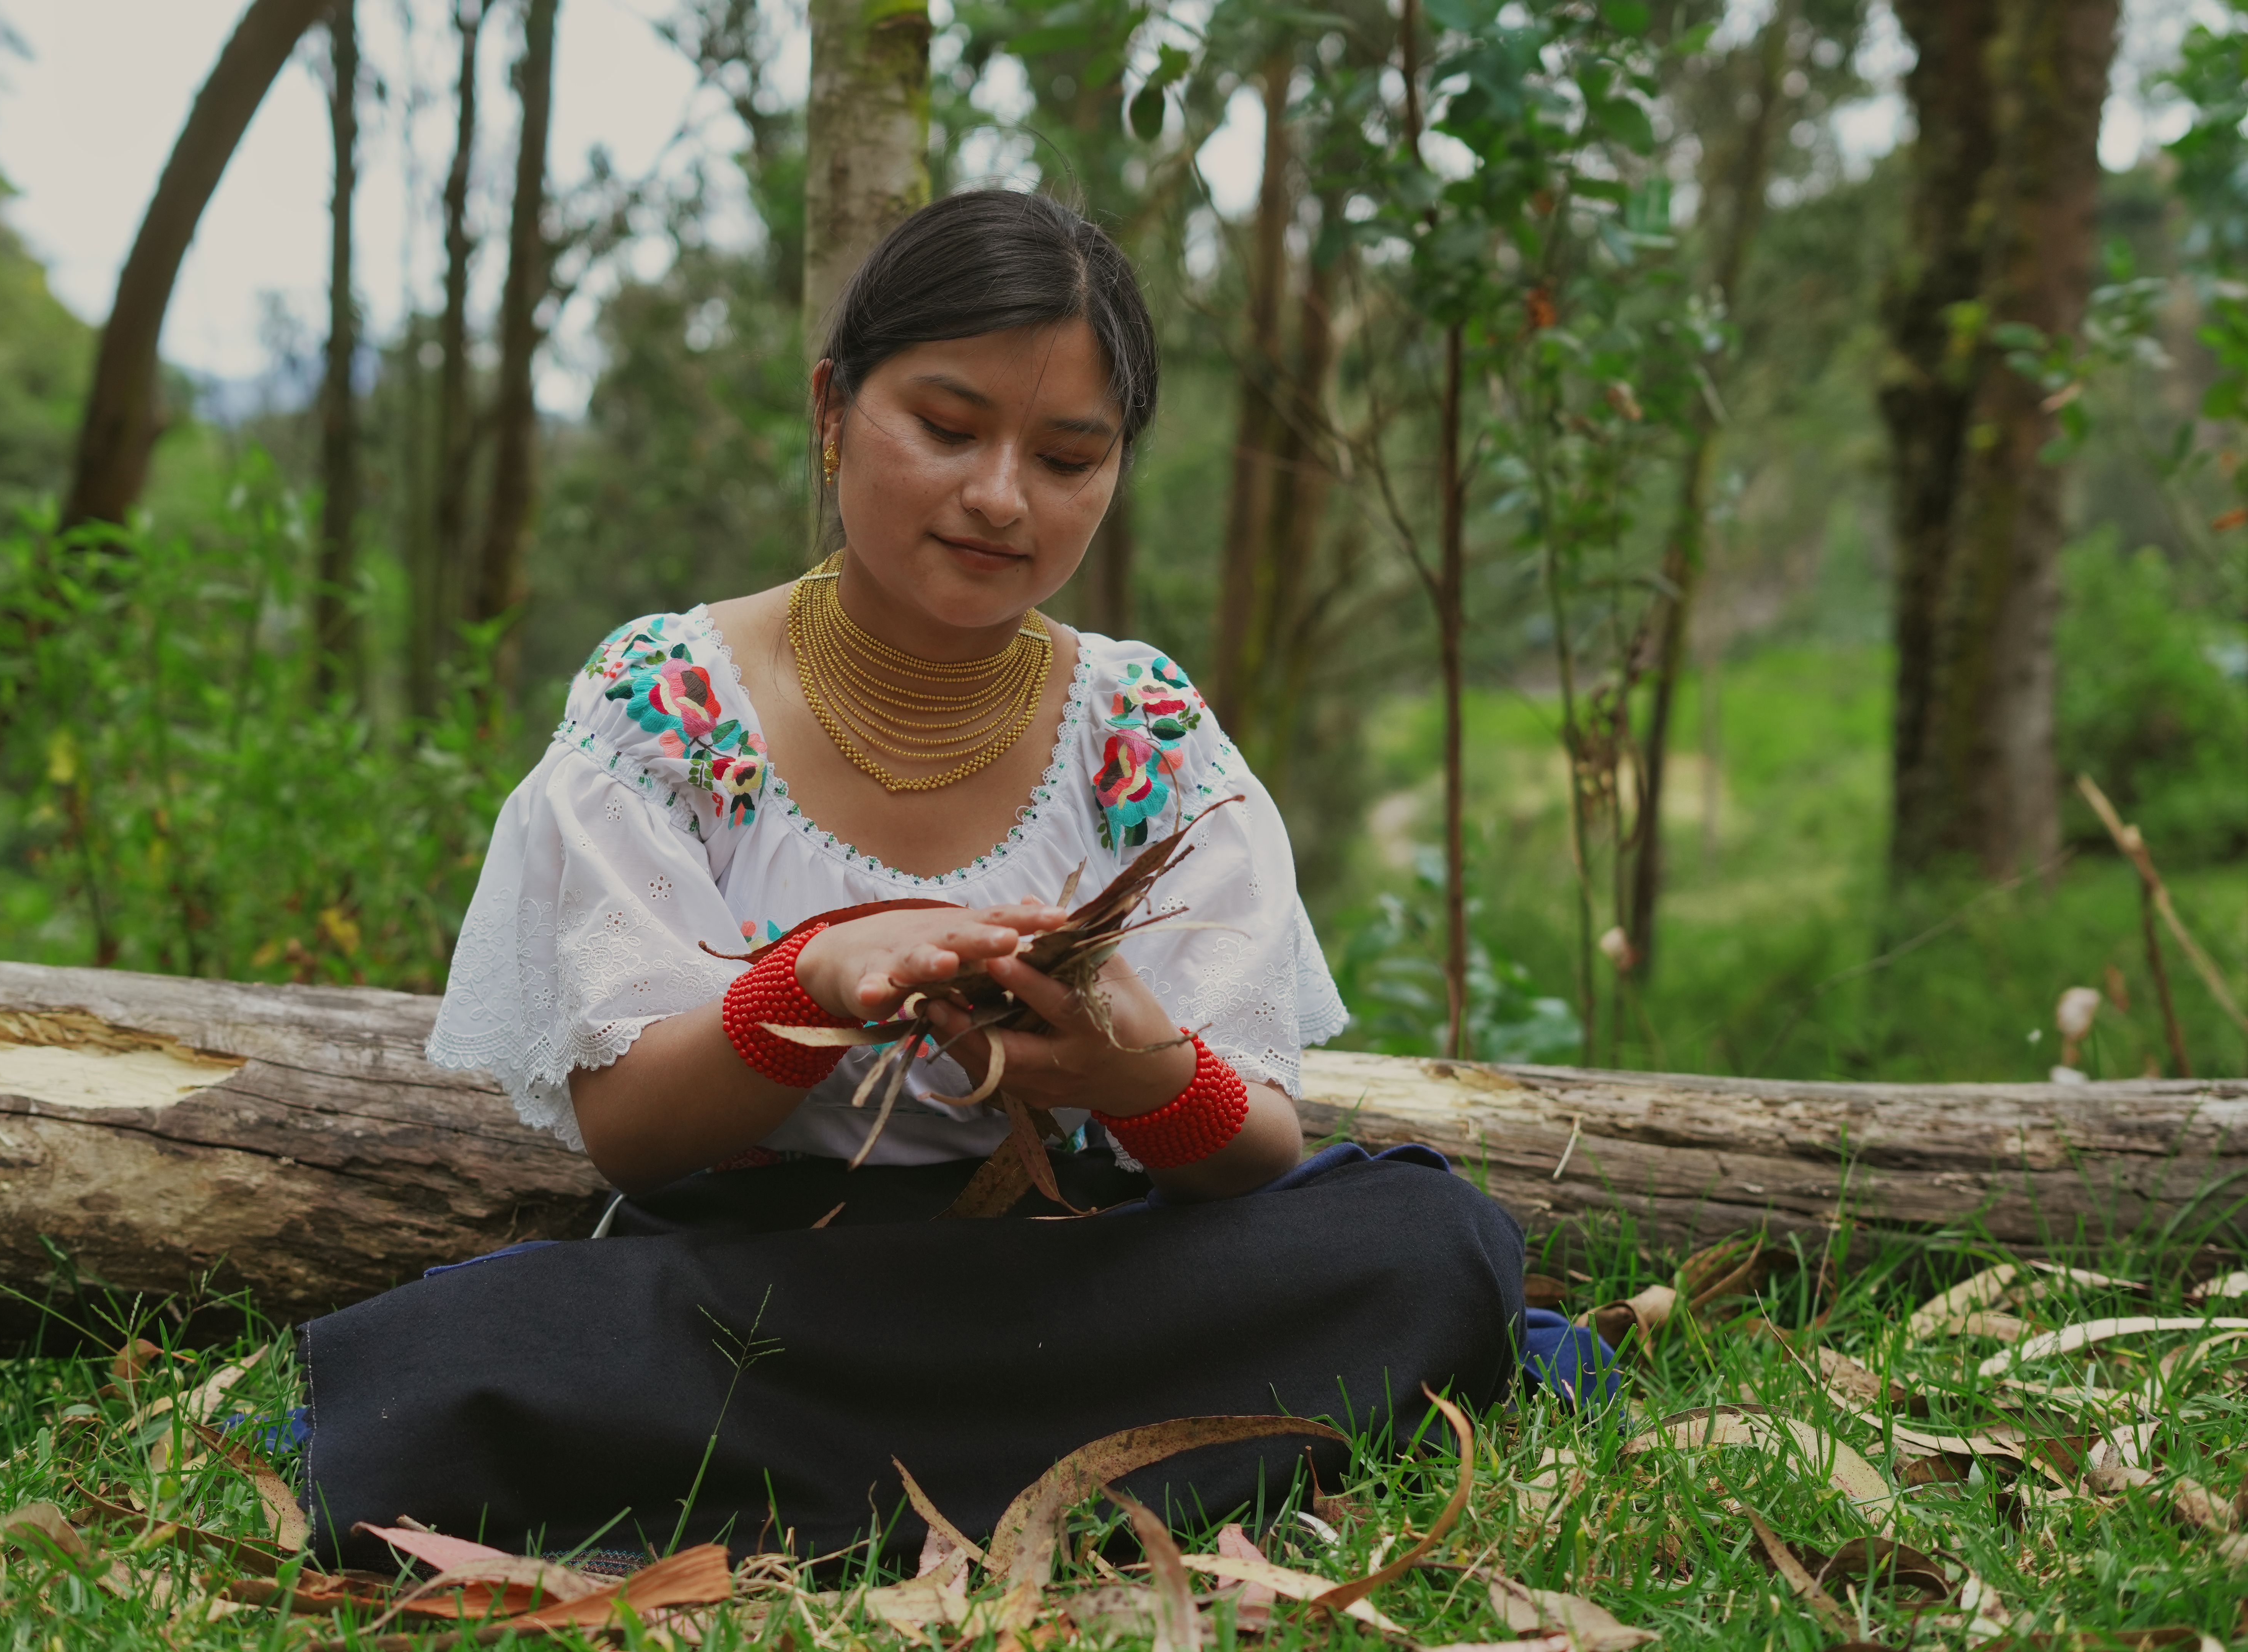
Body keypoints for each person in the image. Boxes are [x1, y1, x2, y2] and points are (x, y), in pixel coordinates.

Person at [298, 189, 1530, 1572]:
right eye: (946, 429)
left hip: (1071, 1273)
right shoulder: (671, 707)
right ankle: (1102, 1457)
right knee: (471, 1357)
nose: (1001, 496)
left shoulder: (1148, 732)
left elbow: (1258, 1152)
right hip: (770, 1296)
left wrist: (1134, 1074)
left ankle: (825, 1479)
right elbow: (631, 1136)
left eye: (1069, 457)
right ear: (833, 406)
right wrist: (809, 984)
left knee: (1435, 1236)